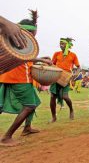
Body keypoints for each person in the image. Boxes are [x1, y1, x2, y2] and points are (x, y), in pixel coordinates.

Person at [0, 10, 52, 146]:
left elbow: (25, 57)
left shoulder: (14, 38)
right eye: (34, 34)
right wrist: (41, 60)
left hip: (9, 76)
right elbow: (24, 58)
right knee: (29, 105)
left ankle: (27, 127)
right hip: (20, 78)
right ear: (29, 32)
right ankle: (7, 137)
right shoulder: (21, 38)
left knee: (34, 102)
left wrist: (41, 59)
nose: (34, 38)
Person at [50, 38, 80, 122]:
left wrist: (75, 75)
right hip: (55, 76)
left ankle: (71, 110)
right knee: (52, 97)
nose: (61, 45)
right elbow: (52, 64)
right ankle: (53, 117)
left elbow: (78, 67)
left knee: (65, 97)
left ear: (67, 45)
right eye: (60, 43)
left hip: (66, 77)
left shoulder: (73, 55)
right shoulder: (56, 54)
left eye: (62, 44)